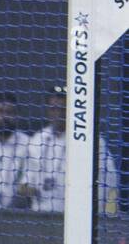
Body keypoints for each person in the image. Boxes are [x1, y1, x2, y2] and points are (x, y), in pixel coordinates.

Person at [25, 85, 121, 214]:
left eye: (62, 109)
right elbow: (27, 181)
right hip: (41, 215)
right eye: (53, 109)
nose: (57, 114)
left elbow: (110, 179)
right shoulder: (38, 139)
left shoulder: (90, 139)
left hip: (76, 217)